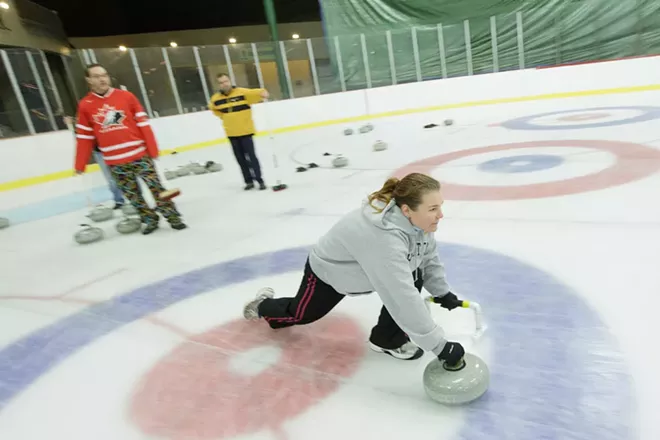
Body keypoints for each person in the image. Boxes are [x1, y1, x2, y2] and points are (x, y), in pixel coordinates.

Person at [243, 172, 466, 364]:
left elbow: (428, 257)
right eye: (433, 208)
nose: (441, 215)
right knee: (301, 314)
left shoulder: (420, 223)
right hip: (330, 273)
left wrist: (442, 291)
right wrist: (439, 346)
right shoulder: (384, 239)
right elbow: (402, 295)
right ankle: (262, 306)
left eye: (441, 207)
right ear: (407, 210)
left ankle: (386, 339)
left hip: (368, 270)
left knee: (414, 273)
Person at [73, 63, 187, 235]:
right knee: (133, 195)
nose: (102, 79)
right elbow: (84, 137)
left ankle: (173, 217)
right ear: (88, 80)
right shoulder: (85, 105)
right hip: (114, 162)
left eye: (104, 75)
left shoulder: (126, 97)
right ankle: (149, 219)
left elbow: (143, 124)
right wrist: (80, 164)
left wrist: (153, 149)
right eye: (96, 76)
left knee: (157, 189)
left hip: (139, 155)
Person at [208, 74, 269, 191]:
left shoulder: (242, 92)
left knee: (251, 157)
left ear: (230, 81)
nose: (224, 84)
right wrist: (226, 118)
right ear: (218, 85)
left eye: (226, 81)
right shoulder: (216, 98)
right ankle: (248, 181)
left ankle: (259, 180)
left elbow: (258, 92)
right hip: (231, 133)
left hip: (245, 131)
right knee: (240, 159)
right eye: (221, 82)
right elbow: (214, 109)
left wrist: (263, 93)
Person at [64, 115, 125, 209]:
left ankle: (132, 197)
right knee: (110, 179)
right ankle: (119, 200)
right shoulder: (85, 124)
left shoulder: (105, 118)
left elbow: (117, 120)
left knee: (123, 174)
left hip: (114, 149)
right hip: (99, 152)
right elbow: (83, 138)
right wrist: (72, 123)